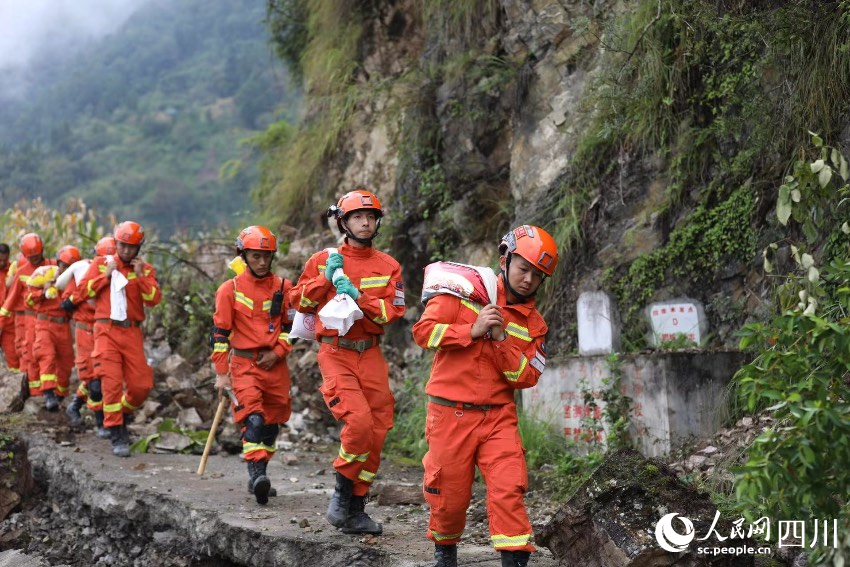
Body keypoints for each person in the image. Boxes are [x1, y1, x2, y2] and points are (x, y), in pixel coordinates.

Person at [411, 225, 558, 567]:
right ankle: (445, 554)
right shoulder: (462, 292)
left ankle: (515, 560)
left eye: (538, 276)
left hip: (498, 417)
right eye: (524, 270)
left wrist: (499, 338)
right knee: (449, 497)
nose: (528, 281)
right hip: (450, 414)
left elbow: (526, 376)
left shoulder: (535, 326)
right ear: (505, 260)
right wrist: (471, 330)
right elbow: (423, 333)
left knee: (510, 489)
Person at [289, 188, 406, 534]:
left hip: (370, 351)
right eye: (357, 217)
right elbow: (297, 300)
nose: (366, 222)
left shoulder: (389, 266)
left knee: (379, 429)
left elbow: (391, 312)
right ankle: (340, 499)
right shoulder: (322, 259)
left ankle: (357, 505)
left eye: (371, 217)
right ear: (343, 222)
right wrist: (326, 279)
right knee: (358, 423)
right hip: (335, 351)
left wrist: (358, 295)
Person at [210, 225, 294, 506]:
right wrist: (222, 374)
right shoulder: (228, 290)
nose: (260, 261)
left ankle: (259, 474)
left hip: (275, 366)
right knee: (254, 419)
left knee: (272, 423)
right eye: (255, 256)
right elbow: (220, 335)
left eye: (265, 256)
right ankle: (256, 473)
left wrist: (279, 351)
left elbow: (292, 327)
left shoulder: (284, 287)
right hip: (244, 365)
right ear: (243, 255)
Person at [78, 222, 161, 457]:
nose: (126, 251)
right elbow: (82, 293)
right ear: (116, 244)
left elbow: (154, 299)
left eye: (131, 247)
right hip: (106, 331)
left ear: (138, 248)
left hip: (132, 331)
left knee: (141, 386)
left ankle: (121, 414)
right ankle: (116, 432)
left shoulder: (144, 269)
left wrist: (141, 275)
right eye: (123, 246)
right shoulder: (100, 264)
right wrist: (105, 275)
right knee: (111, 383)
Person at [63, 236, 117, 436]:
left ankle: (76, 404)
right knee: (94, 379)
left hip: (104, 329)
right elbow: (70, 297)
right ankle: (100, 422)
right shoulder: (83, 272)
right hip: (86, 328)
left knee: (104, 376)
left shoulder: (117, 274)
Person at [0, 233, 56, 399]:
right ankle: (26, 391)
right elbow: (10, 301)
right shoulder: (19, 271)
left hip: (38, 318)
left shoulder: (51, 267)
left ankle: (38, 393)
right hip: (20, 318)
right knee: (23, 353)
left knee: (34, 353)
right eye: (30, 257)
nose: (34, 259)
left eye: (36, 256)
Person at [28, 246, 80, 411]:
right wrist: (43, 291)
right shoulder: (44, 275)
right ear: (59, 263)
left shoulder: (76, 282)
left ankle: (59, 395)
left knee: (66, 363)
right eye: (64, 265)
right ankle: (48, 392)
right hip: (45, 324)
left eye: (70, 266)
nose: (67, 269)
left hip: (63, 327)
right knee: (47, 355)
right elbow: (28, 301)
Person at [0, 243, 20, 373]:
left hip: (8, 322)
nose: (2, 263)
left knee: (13, 357)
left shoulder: (14, 271)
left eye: (4, 260)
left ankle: (16, 385)